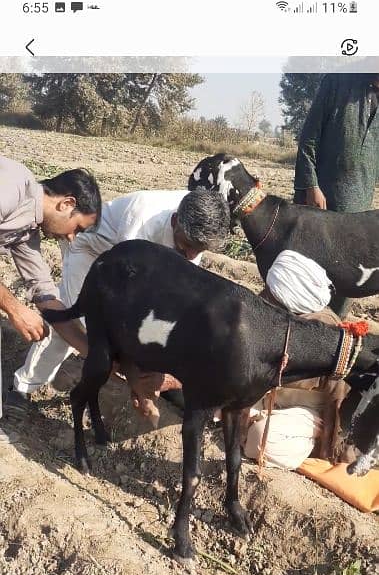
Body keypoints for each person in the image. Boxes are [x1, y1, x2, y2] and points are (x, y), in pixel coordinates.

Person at [6, 187, 230, 415]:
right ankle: (21, 388)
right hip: (91, 249)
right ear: (175, 221)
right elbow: (126, 296)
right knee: (72, 321)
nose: (192, 255)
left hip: (136, 264)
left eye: (199, 250)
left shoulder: (198, 226)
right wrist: (131, 367)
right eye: (188, 246)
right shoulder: (143, 219)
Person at [0, 155, 101, 438]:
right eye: (77, 228)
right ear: (66, 203)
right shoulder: (12, 185)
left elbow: (45, 293)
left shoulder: (26, 231)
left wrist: (97, 355)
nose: (71, 239)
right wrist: (14, 307)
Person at [241, 250, 350, 469]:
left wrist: (326, 447)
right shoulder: (277, 320)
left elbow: (337, 403)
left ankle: (303, 442)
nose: (263, 300)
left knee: (260, 439)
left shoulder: (325, 334)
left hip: (309, 415)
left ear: (291, 306)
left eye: (271, 298)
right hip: (269, 398)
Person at [294, 73, 379, 315]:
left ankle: (331, 337)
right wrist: (311, 186)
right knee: (305, 281)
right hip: (319, 205)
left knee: (344, 285)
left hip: (358, 208)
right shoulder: (336, 83)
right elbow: (308, 140)